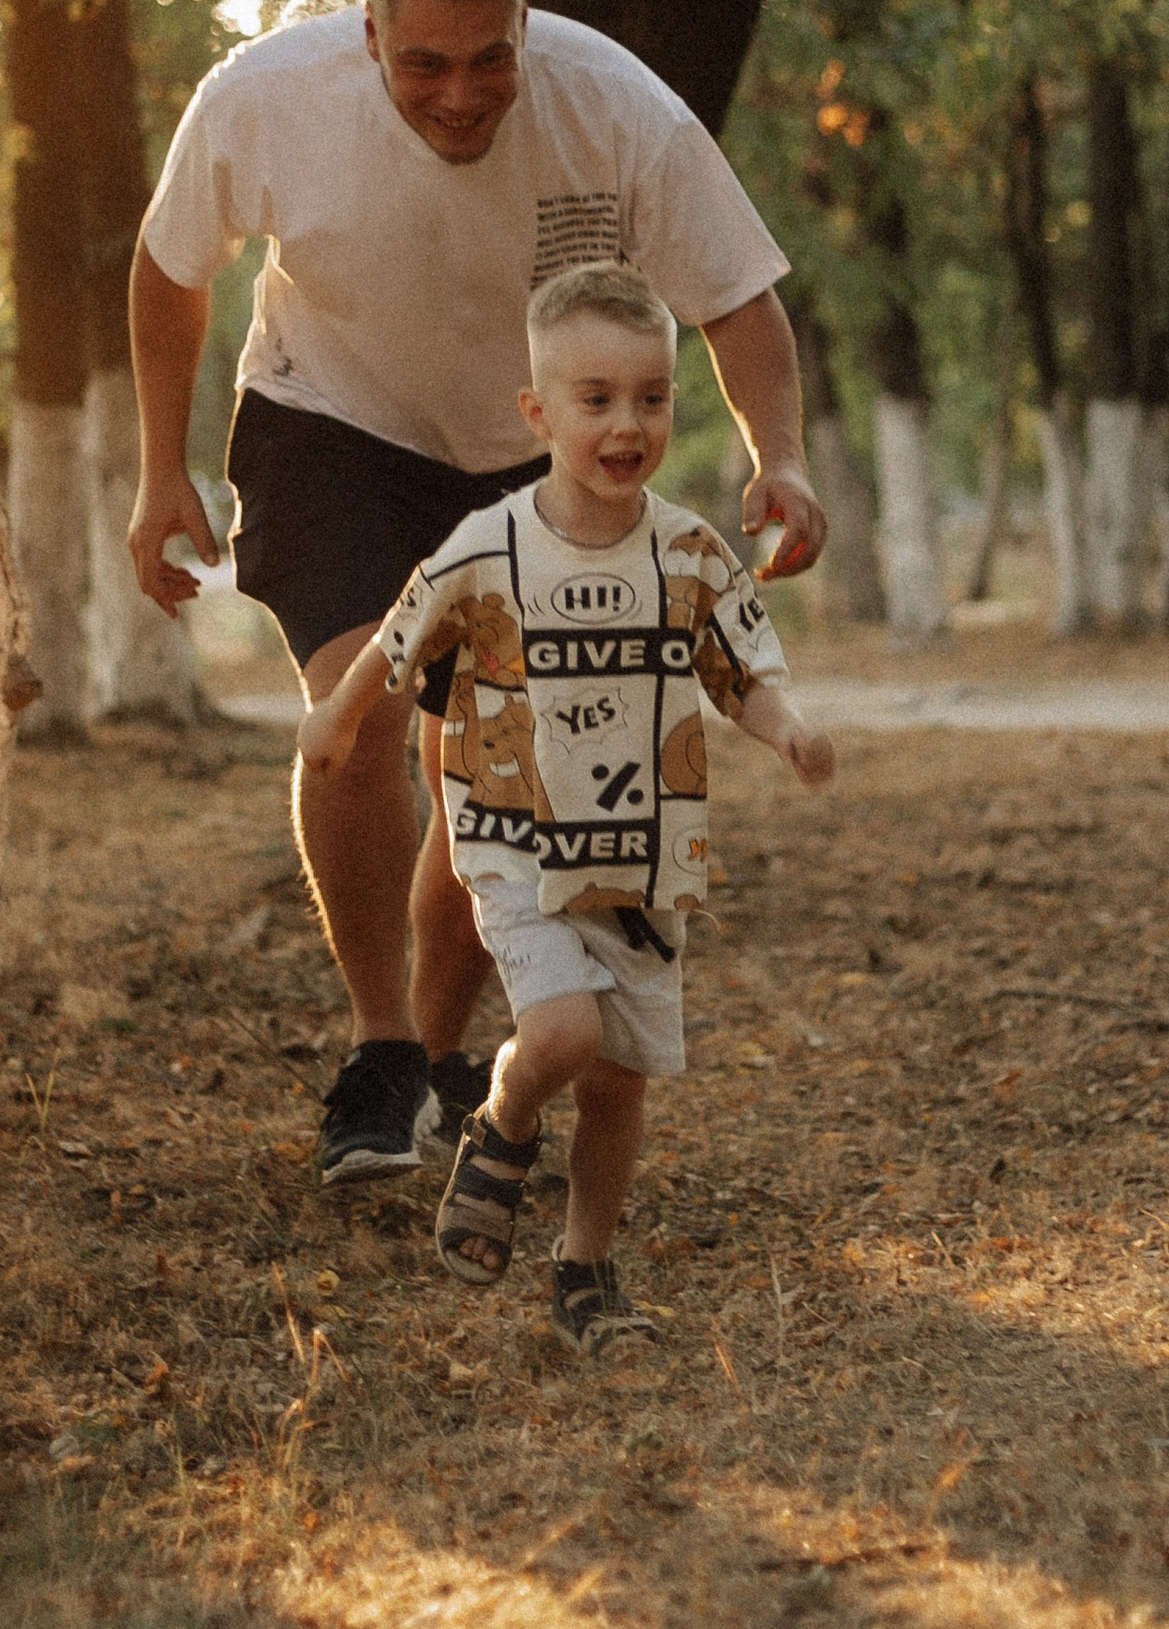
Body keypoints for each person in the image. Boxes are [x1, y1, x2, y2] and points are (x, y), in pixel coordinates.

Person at [126, 0, 829, 1185]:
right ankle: (382, 1043)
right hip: (328, 421)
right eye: (423, 65)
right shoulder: (268, 97)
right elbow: (172, 266)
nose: (459, 95)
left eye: (490, 57)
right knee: (362, 701)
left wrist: (781, 458)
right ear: (370, 35)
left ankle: (438, 1051)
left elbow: (739, 303)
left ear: (525, 26)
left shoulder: (615, 109)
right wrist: (157, 470)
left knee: (486, 770)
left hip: (524, 453)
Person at [297, 259, 835, 1347]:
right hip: (516, 846)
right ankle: (499, 1118)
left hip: (644, 859)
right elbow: (402, 632)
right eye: (595, 401)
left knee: (621, 1082)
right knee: (565, 1033)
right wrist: (340, 718)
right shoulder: (490, 546)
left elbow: (741, 676)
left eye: (649, 397)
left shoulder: (688, 553)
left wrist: (788, 733)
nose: (625, 424)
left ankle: (584, 1268)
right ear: (540, 411)